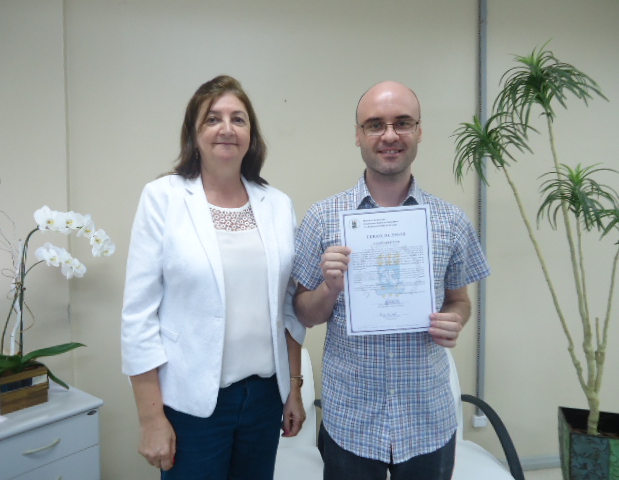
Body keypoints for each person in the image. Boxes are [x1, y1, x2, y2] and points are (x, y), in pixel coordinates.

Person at [292, 81, 490, 480]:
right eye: (375, 125)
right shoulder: (322, 218)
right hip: (351, 419)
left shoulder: (450, 221)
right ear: (358, 134)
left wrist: (455, 319)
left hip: (427, 420)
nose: (389, 135)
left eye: (402, 123)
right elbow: (303, 313)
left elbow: (460, 301)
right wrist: (330, 288)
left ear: (419, 131)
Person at [121, 75, 306, 480]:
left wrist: (294, 387)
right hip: (192, 406)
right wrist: (151, 418)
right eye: (212, 118)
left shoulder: (277, 205)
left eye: (238, 119)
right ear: (194, 133)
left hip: (264, 400)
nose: (226, 128)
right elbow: (138, 316)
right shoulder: (163, 198)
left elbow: (289, 308)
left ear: (251, 135)